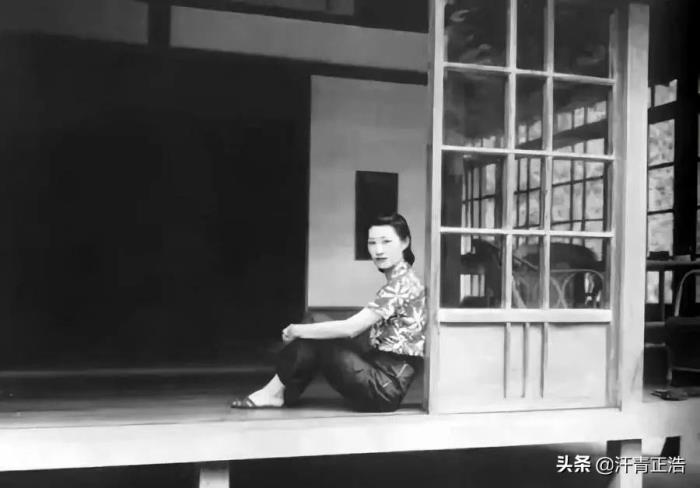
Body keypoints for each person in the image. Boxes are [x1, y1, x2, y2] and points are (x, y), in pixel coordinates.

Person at [230, 212, 426, 412]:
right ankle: (278, 391)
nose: (379, 250)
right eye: (372, 243)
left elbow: (351, 328)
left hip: (382, 388)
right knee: (315, 323)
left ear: (405, 242)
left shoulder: (403, 283)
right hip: (377, 374)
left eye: (386, 242)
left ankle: (276, 392)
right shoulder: (403, 280)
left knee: (314, 329)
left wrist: (297, 330)